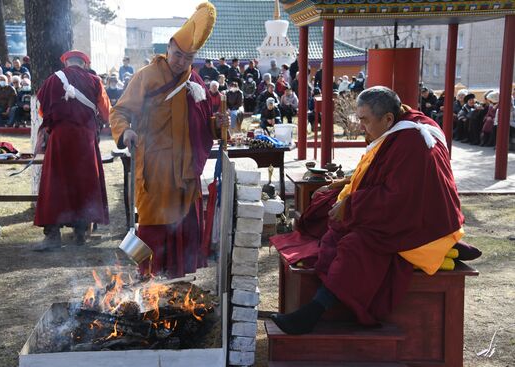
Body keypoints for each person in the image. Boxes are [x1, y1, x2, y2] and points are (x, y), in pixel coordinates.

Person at [270, 86, 464, 335]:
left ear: (388, 118)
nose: (361, 126)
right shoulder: (404, 124)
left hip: (425, 223)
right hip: (407, 210)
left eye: (364, 120)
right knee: (324, 206)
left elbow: (398, 199)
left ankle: (314, 313)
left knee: (356, 244)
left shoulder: (411, 142)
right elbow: (382, 175)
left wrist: (351, 205)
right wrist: (343, 187)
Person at [110, 2, 224, 279]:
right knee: (151, 225)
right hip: (155, 168)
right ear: (168, 48)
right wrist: (125, 132)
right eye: (176, 54)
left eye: (187, 57)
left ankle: (176, 280)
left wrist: (217, 125)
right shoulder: (147, 76)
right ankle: (145, 278)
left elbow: (203, 124)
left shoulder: (194, 81)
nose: (180, 62)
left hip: (185, 170)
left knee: (182, 226)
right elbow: (120, 111)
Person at [33, 50, 111, 250]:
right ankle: (80, 233)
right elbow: (105, 111)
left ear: (66, 63)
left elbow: (43, 110)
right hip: (85, 138)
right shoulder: (95, 81)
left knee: (55, 184)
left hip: (60, 139)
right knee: (84, 183)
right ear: (84, 64)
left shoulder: (53, 80)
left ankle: (53, 235)